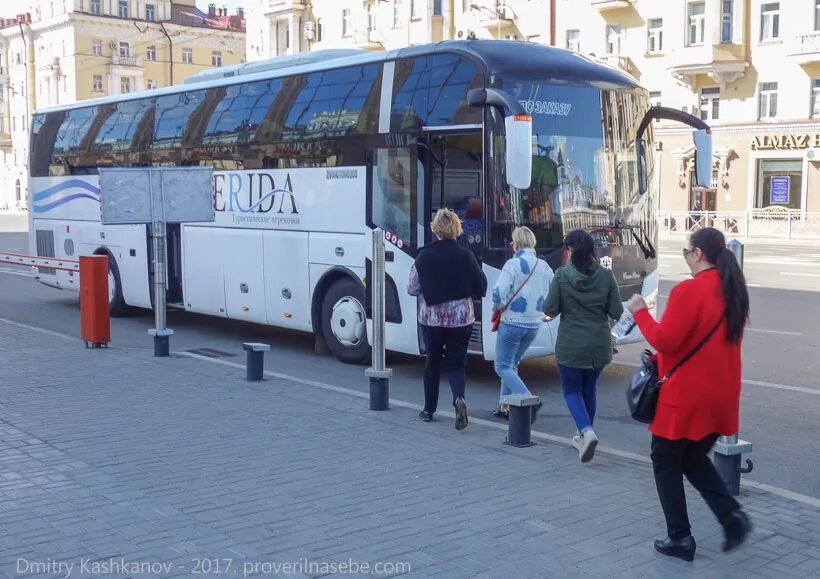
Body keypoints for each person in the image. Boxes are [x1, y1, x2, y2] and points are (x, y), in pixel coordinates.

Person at [627, 227, 751, 562]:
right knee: (692, 458)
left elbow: (665, 340)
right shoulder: (734, 290)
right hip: (721, 395)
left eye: (686, 250)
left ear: (697, 253)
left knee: (665, 460)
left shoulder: (689, 291)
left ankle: (679, 537)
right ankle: (731, 516)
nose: (685, 256)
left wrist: (639, 310)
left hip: (687, 398)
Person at [542, 229, 623, 462]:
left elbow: (550, 309)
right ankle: (584, 434)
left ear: (569, 250)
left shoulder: (561, 276)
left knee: (571, 391)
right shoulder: (607, 276)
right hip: (599, 344)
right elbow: (616, 311)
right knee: (589, 389)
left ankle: (586, 431)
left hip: (570, 345)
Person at [407, 208, 488, 430]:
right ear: (456, 229)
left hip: (431, 319)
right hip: (461, 319)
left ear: (436, 229)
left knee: (432, 361)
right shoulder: (466, 256)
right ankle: (459, 399)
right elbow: (481, 285)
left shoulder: (423, 256)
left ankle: (428, 410)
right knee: (456, 362)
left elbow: (412, 288)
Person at [491, 226, 552, 421]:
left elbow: (498, 294)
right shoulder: (544, 266)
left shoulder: (512, 264)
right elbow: (551, 293)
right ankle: (505, 406)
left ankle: (527, 399)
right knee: (512, 364)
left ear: (517, 243)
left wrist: (497, 306)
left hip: (511, 322)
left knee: (501, 366)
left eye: (512, 241)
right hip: (534, 324)